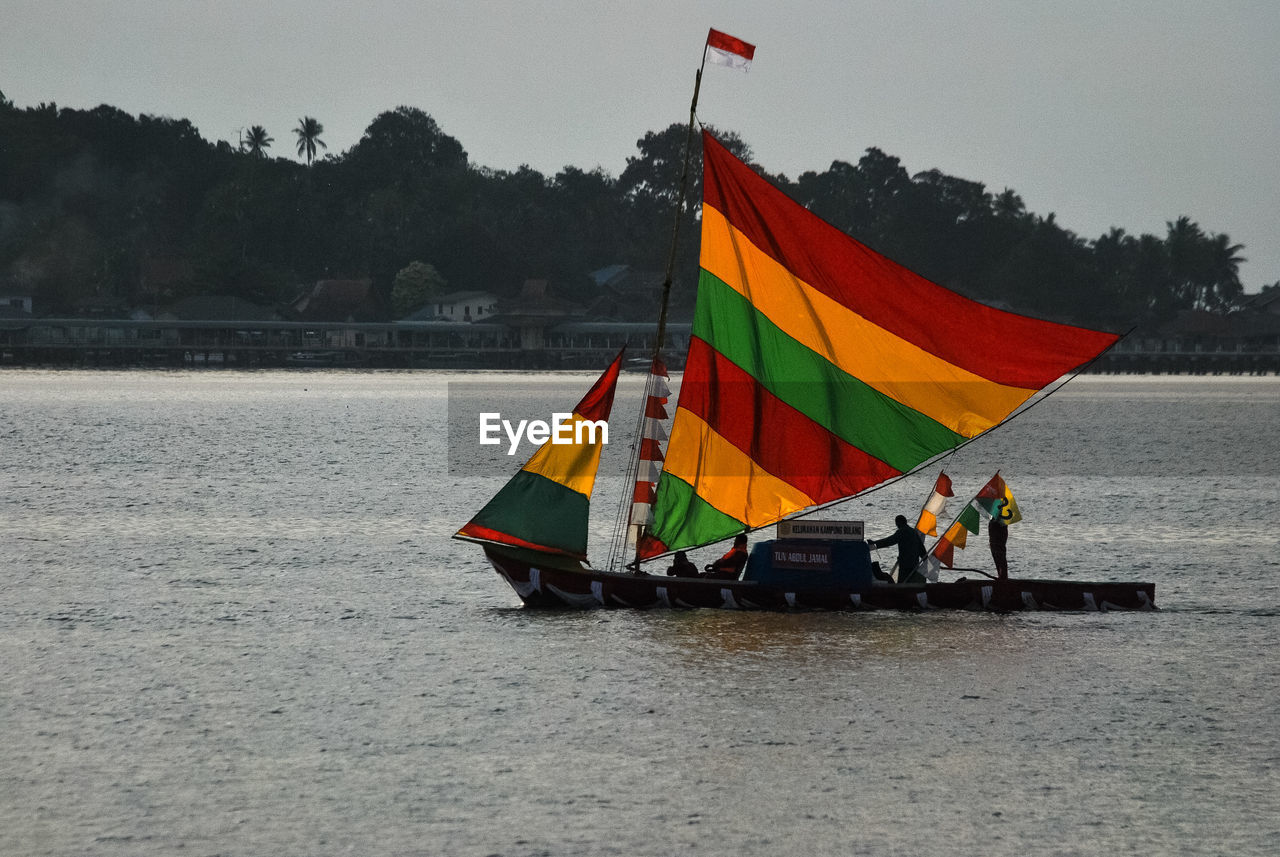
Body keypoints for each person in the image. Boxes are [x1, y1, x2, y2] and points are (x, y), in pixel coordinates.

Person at [868, 515, 928, 584]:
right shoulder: (914, 532)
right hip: (915, 564)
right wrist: (926, 561)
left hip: (905, 565)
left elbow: (889, 541)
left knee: (902, 584)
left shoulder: (902, 531)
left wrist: (874, 543)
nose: (897, 525)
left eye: (896, 523)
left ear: (898, 523)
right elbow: (922, 549)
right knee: (912, 583)